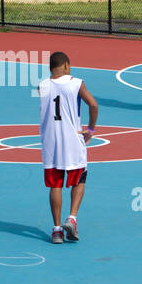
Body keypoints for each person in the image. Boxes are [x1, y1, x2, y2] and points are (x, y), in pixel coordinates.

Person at [38, 51, 98, 243]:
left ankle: (56, 230)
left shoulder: (43, 86)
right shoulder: (76, 83)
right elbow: (94, 105)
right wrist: (90, 128)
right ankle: (72, 218)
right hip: (72, 141)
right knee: (79, 180)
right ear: (66, 66)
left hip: (50, 144)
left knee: (55, 185)